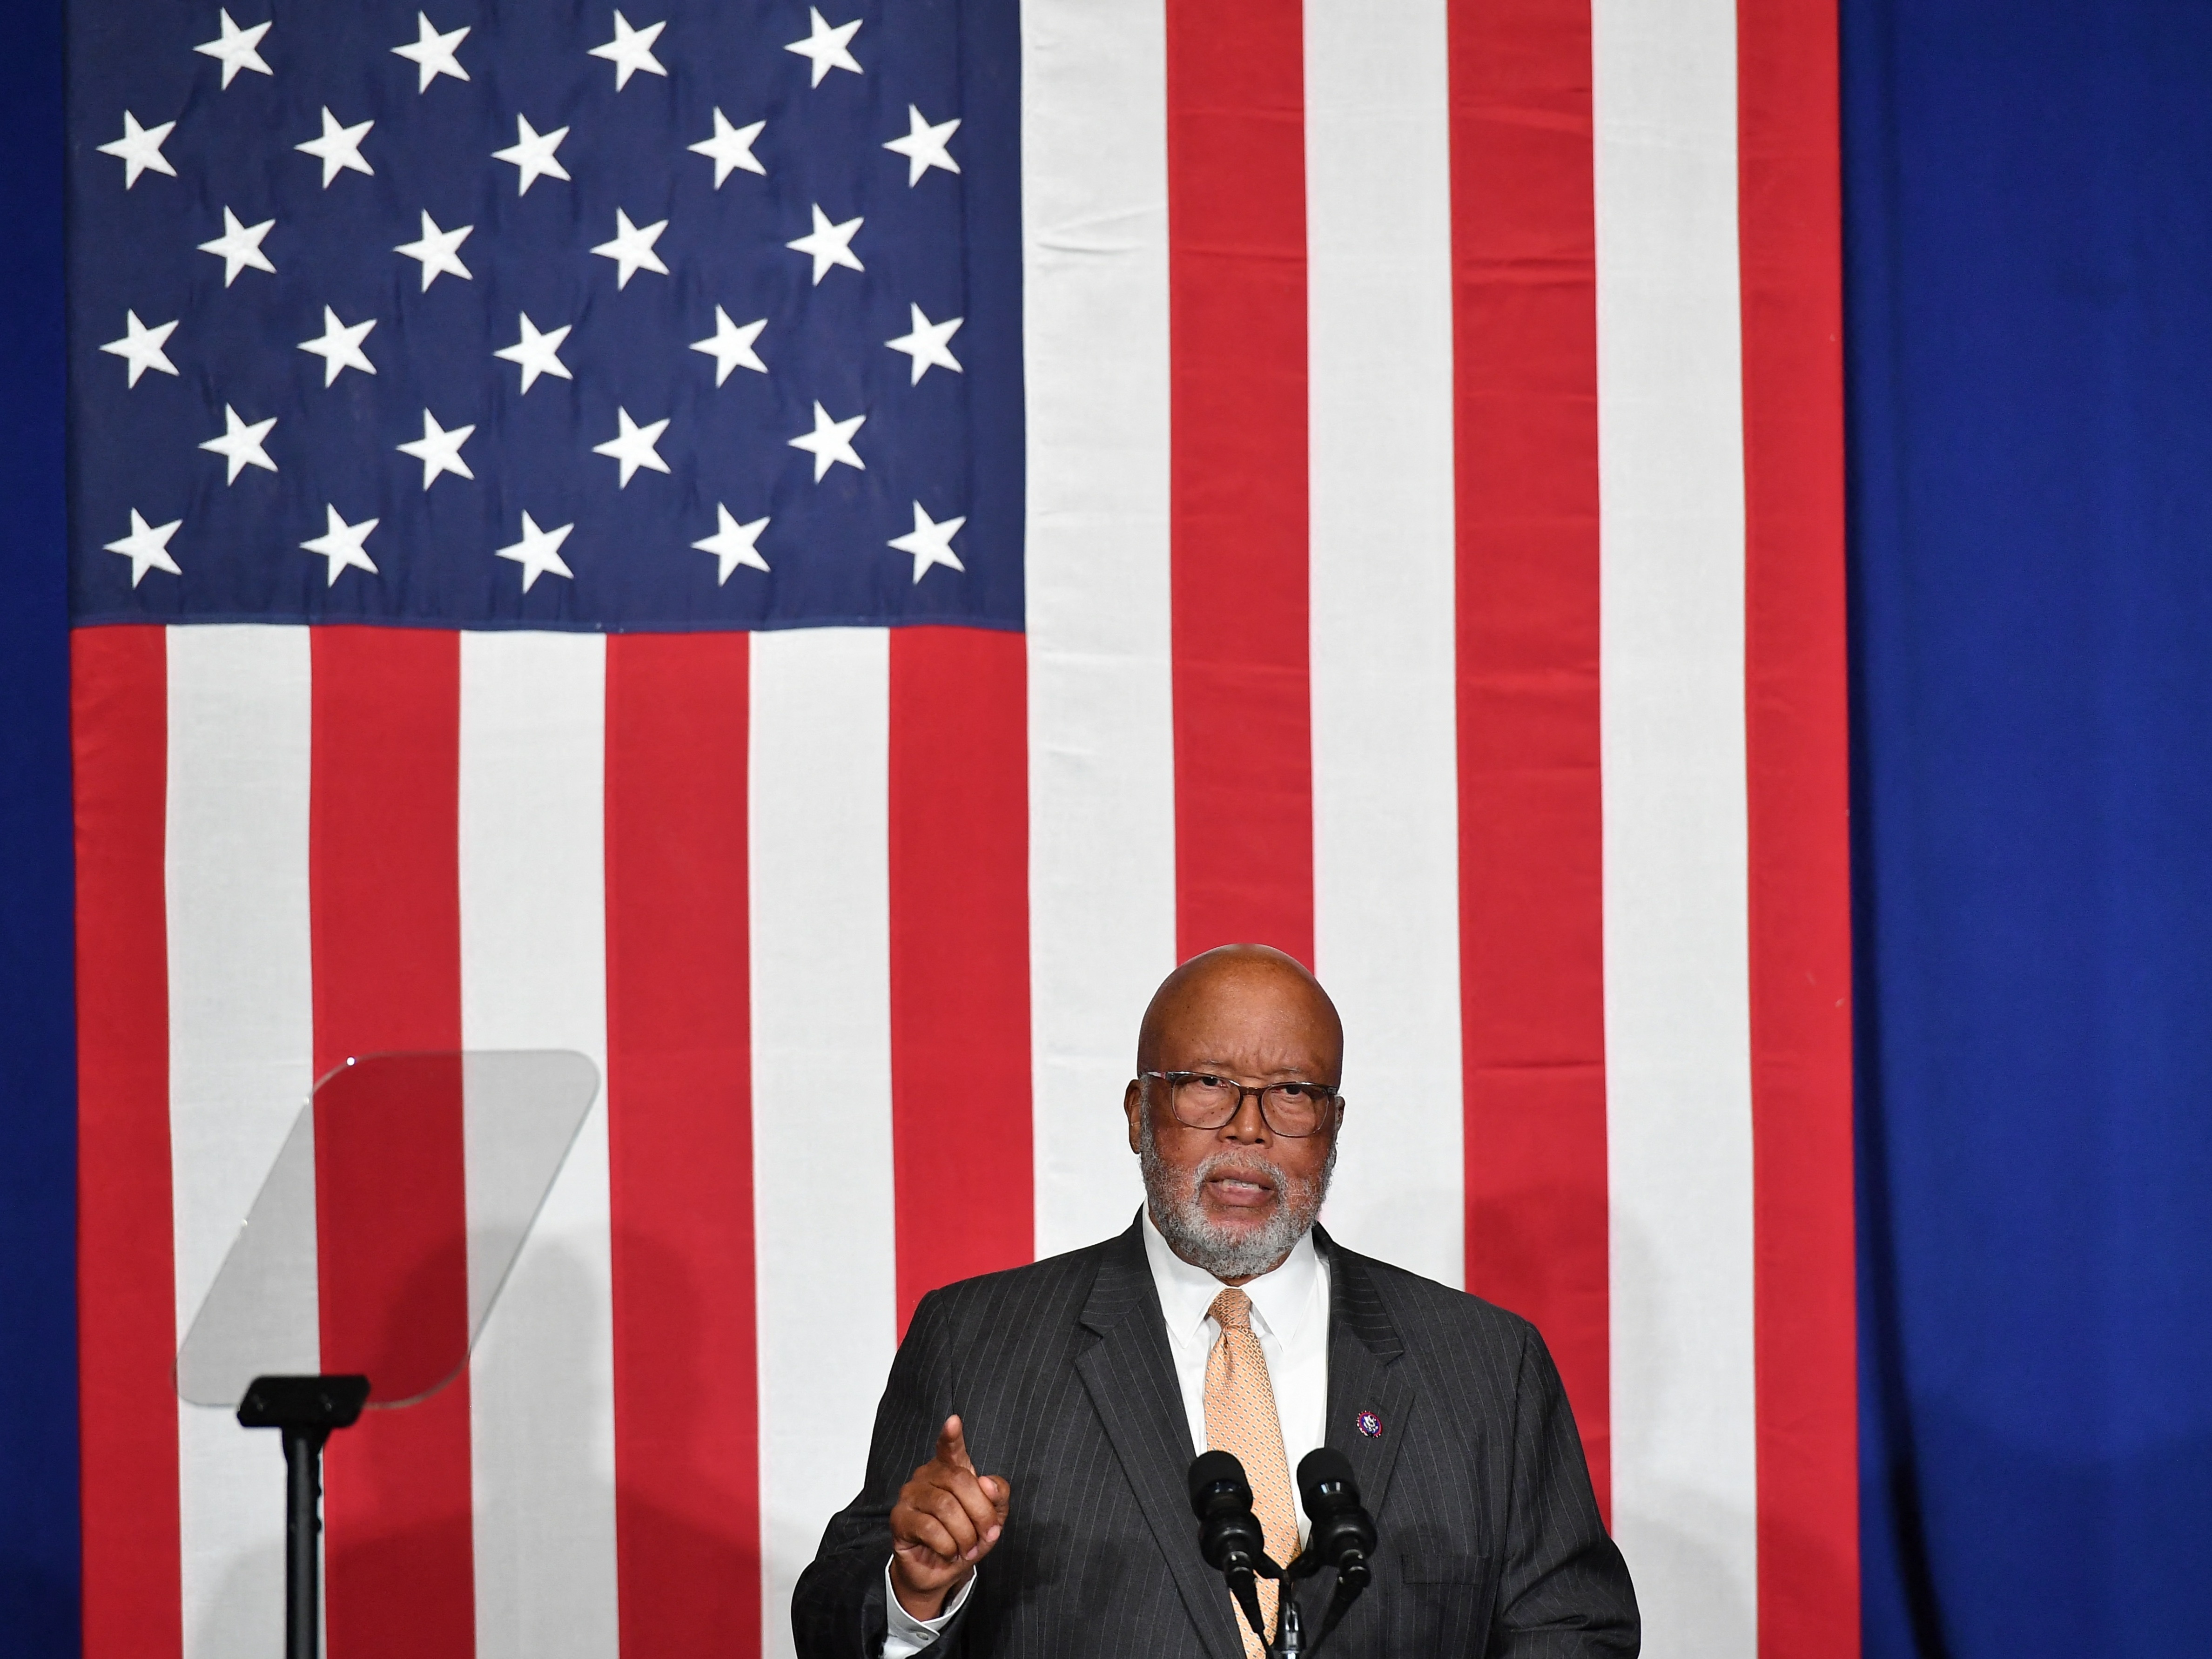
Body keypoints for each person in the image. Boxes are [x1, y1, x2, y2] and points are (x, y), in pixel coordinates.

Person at [793, 944, 1639, 1658]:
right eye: (1206, 1083)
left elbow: (1574, 1629)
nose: (1247, 1128)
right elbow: (833, 1619)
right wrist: (916, 1591)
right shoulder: (979, 1339)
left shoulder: (1486, 1365)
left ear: (1333, 1127)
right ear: (1137, 1111)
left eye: (1291, 1094)